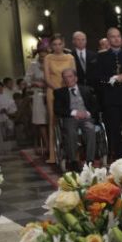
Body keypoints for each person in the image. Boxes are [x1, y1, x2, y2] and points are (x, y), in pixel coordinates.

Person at [91, 27, 122, 161]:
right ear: (108, 39)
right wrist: (112, 79)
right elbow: (98, 77)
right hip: (110, 98)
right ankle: (116, 157)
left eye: (118, 36)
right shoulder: (102, 56)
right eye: (113, 36)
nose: (116, 39)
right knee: (114, 129)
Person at [53, 68, 99, 172]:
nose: (68, 79)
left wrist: (87, 113)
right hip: (70, 118)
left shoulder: (87, 90)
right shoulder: (59, 92)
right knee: (70, 132)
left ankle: (90, 161)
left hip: (86, 118)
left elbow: (95, 106)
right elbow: (57, 109)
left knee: (91, 130)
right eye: (65, 77)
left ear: (76, 78)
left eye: (70, 76)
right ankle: (73, 161)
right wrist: (74, 113)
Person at [43, 34, 76, 163]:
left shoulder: (70, 57)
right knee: (53, 120)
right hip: (53, 91)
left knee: (70, 119)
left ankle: (73, 152)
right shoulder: (48, 58)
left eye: (59, 44)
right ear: (51, 46)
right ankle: (53, 155)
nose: (57, 47)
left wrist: (67, 90)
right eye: (54, 44)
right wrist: (58, 91)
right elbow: (46, 78)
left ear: (63, 44)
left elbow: (74, 75)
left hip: (69, 91)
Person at [25, 43, 50, 157]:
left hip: (50, 93)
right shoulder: (33, 65)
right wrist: (34, 82)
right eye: (40, 56)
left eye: (44, 56)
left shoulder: (51, 62)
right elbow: (27, 81)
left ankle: (55, 144)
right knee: (41, 122)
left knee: (51, 120)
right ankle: (47, 145)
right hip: (39, 95)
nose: (42, 58)